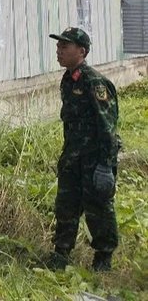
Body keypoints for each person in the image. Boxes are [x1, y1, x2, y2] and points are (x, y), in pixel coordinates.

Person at [47, 27, 120, 272]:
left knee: (98, 208)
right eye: (58, 46)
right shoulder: (69, 80)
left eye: (64, 46)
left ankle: (103, 257)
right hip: (72, 157)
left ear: (82, 51)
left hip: (93, 159)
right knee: (66, 205)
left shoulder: (94, 82)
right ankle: (61, 253)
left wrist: (105, 165)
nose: (59, 51)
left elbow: (107, 126)